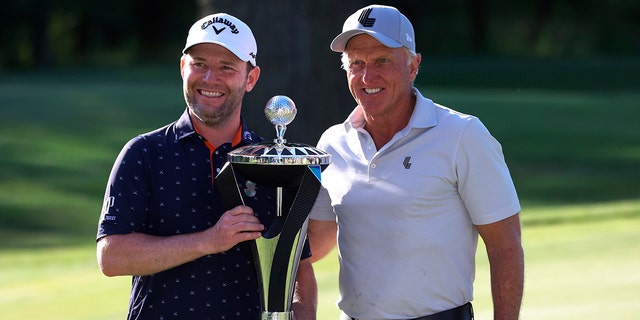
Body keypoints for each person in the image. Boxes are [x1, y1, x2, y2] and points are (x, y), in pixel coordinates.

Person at [308, 4, 524, 320]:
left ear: (413, 66)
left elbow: (505, 246)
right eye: (357, 63)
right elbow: (317, 240)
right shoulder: (332, 143)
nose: (368, 76)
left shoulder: (462, 135)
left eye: (382, 60)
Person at [96, 13, 317, 320]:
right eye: (199, 63)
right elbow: (112, 257)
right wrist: (208, 240)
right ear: (182, 68)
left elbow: (299, 266)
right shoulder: (143, 153)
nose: (210, 79)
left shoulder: (272, 164)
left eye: (226, 67)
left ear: (250, 78)